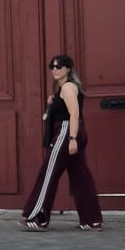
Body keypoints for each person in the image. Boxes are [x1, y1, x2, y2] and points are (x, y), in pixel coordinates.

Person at [20, 53, 103, 230]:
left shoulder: (67, 87)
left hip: (66, 132)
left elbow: (74, 113)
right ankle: (91, 220)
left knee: (48, 173)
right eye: (52, 67)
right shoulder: (66, 88)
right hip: (73, 131)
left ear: (68, 68)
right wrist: (54, 103)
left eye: (59, 66)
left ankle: (37, 217)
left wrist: (72, 138)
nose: (55, 70)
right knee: (81, 177)